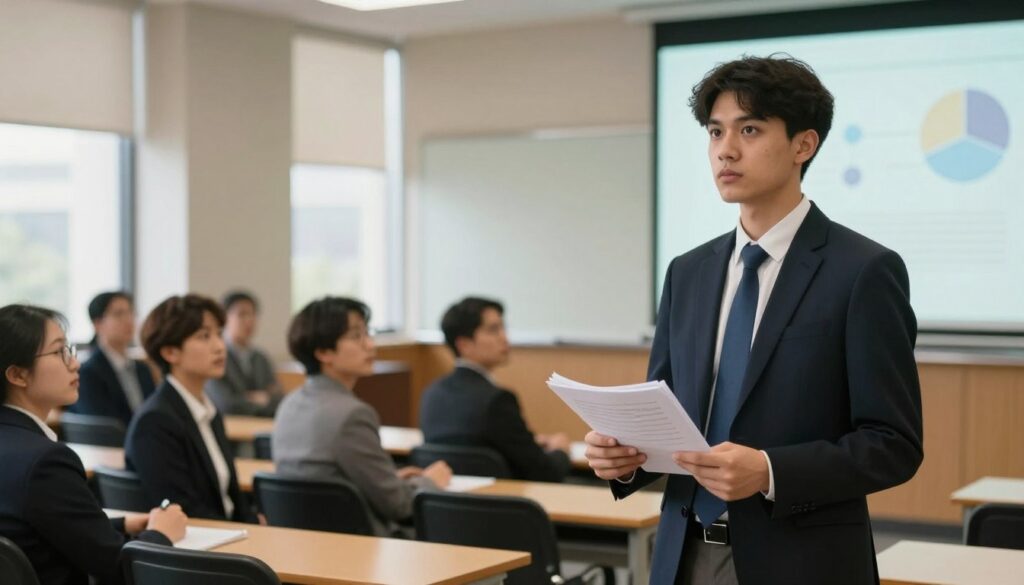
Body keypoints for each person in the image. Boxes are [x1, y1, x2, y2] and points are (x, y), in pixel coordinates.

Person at [583, 55, 923, 585]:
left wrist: (769, 471)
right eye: (715, 131)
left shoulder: (863, 271)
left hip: (800, 562)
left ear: (803, 146)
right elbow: (668, 412)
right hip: (681, 555)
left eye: (750, 129)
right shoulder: (688, 272)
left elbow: (892, 444)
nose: (726, 149)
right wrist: (626, 457)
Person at [0, 304, 186, 585]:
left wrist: (118, 525)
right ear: (18, 375)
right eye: (59, 352)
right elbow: (118, 568)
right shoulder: (46, 462)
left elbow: (33, 528)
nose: (74, 363)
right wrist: (161, 533)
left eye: (70, 350)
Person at [274, 296, 451, 536]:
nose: (370, 345)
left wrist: (389, 478)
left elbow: (326, 479)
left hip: (305, 545)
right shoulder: (352, 415)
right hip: (369, 549)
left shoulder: (289, 404)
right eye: (356, 336)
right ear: (324, 352)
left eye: (368, 333)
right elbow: (399, 505)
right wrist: (431, 481)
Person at [125, 294, 250, 522]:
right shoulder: (155, 422)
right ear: (170, 352)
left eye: (219, 334)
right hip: (197, 547)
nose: (219, 346)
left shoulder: (208, 411)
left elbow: (232, 497)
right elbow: (184, 511)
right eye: (204, 336)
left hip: (229, 536)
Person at [420, 297, 571, 482]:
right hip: (503, 505)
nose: (504, 338)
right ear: (464, 344)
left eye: (503, 328)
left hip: (445, 505)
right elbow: (545, 473)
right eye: (493, 330)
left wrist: (529, 442)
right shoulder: (497, 400)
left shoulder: (432, 393)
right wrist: (561, 450)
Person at [66, 291, 156, 426]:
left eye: (131, 312)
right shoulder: (87, 373)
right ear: (98, 324)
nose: (129, 320)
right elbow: (102, 426)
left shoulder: (142, 369)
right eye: (119, 314)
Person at [204, 290, 283, 417]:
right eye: (242, 314)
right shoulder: (215, 355)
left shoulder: (261, 357)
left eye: (253, 314)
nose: (249, 320)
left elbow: (279, 399)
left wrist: (252, 400)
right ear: (225, 318)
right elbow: (226, 404)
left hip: (261, 428)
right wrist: (263, 400)